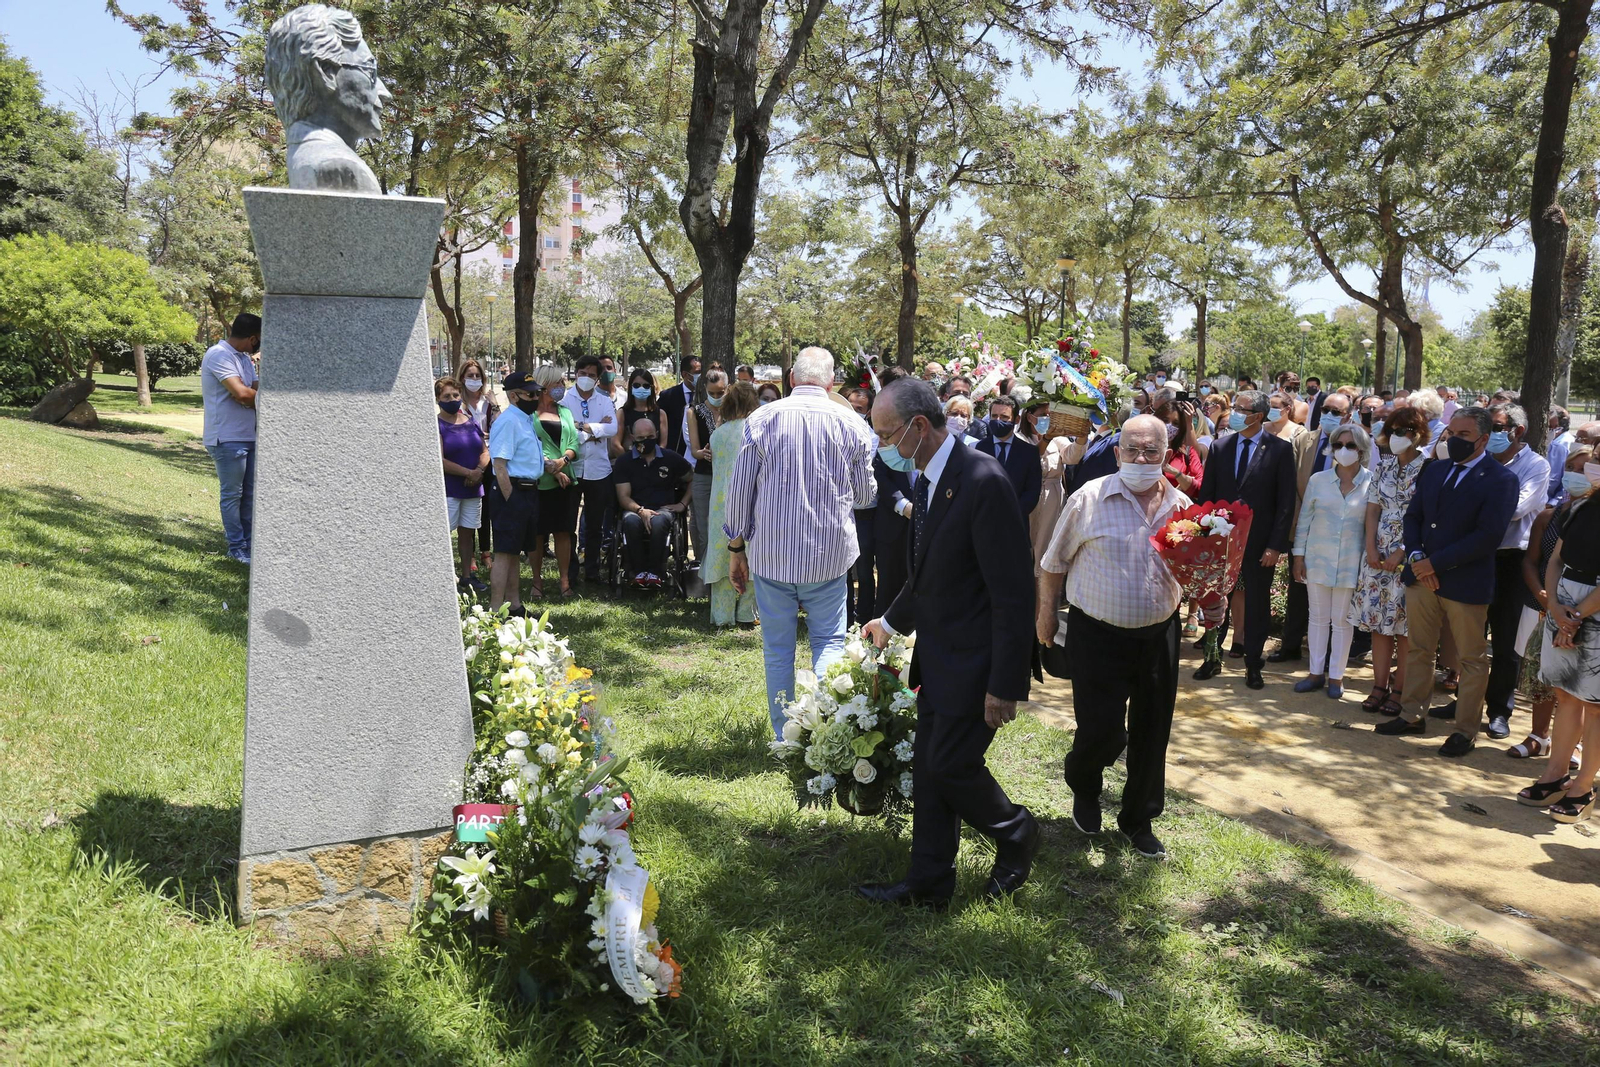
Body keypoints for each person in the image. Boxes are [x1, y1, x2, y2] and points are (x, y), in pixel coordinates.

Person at [860, 379, 1039, 905]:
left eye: (888, 434)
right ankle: (928, 883)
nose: (883, 446)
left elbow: (1013, 593)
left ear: (919, 427)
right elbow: (930, 570)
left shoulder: (983, 480)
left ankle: (1014, 832)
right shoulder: (927, 479)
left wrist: (1005, 684)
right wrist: (891, 622)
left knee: (949, 765)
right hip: (939, 655)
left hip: (977, 660)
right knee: (930, 768)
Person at [1038, 414, 1200, 859]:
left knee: (1152, 732)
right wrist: (1045, 615)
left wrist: (1211, 595)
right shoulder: (1088, 498)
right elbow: (1053, 564)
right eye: (1133, 449)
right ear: (1117, 453)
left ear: (1166, 456)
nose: (1142, 458)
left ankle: (1138, 818)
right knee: (1101, 730)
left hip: (1157, 637)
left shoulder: (1184, 509)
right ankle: (1085, 789)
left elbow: (1195, 569)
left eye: (1151, 451)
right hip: (1097, 634)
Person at [724, 347, 875, 739]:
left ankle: (784, 735)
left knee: (778, 650)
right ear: (831, 382)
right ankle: (824, 730)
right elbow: (863, 497)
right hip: (828, 556)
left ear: (792, 379)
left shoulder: (761, 419)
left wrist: (736, 548)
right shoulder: (853, 423)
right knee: (828, 642)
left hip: (772, 555)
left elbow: (738, 493)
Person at [1375, 407, 1519, 756]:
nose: (1453, 440)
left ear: (1484, 439)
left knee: (1470, 659)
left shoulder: (1501, 480)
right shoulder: (1435, 469)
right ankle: (1412, 715)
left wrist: (1431, 564)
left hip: (1465, 583)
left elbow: (1487, 536)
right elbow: (1414, 517)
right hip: (1421, 577)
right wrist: (1415, 557)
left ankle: (1465, 731)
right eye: (1451, 433)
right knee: (1421, 650)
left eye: (1464, 435)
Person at [1194, 390, 1297, 689]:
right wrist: (1204, 534)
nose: (1235, 412)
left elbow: (1285, 503)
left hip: (1258, 544)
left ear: (1258, 416)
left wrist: (1275, 546)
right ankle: (1213, 658)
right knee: (1215, 601)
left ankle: (1253, 664)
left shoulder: (1278, 450)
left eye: (1242, 408)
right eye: (1236, 407)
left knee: (1255, 605)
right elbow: (1207, 496)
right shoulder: (1220, 446)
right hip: (1220, 542)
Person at [1464, 403, 1550, 740]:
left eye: (1497, 426)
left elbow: (1515, 509)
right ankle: (1465, 703)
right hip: (1474, 557)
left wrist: (1472, 507)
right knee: (1469, 636)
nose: (1491, 432)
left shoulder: (1535, 466)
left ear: (1518, 431)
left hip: (1512, 561)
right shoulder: (1477, 457)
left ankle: (1499, 710)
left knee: (1505, 642)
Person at [1525, 458, 1600, 822]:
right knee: (1566, 694)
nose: (1595, 465)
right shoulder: (1581, 506)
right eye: (1597, 457)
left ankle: (1585, 786)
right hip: (1564, 605)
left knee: (1595, 704)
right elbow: (1556, 559)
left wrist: (1577, 615)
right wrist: (1555, 604)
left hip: (1591, 611)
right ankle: (1556, 775)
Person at [1510, 446, 1595, 762]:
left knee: (1576, 681)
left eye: (1584, 468)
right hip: (1542, 604)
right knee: (1542, 674)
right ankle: (1538, 736)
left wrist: (1570, 609)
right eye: (1570, 467)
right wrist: (1544, 594)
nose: (1574, 474)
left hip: (1582, 611)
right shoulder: (1550, 517)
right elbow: (1533, 561)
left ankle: (1574, 744)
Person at [1350, 405, 1430, 716]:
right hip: (1376, 552)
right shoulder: (1382, 466)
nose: (1398, 436)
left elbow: (1424, 516)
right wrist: (1371, 547)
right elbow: (1373, 509)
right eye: (1394, 430)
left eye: (1405, 431)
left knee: (1404, 627)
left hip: (1411, 553)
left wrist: (1402, 550)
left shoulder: (1429, 469)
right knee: (1378, 626)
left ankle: (1400, 690)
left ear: (1418, 434)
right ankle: (1378, 686)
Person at [1291, 424, 1373, 699]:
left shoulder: (1372, 483)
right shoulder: (1318, 480)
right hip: (1317, 559)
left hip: (1352, 562)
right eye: (1338, 445)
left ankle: (1336, 677)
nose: (1343, 450)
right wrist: (1298, 556)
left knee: (1342, 621)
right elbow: (1304, 521)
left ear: (1361, 450)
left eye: (1350, 446)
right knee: (1317, 618)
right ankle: (1315, 673)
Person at [1278, 392, 1356, 663]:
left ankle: (1329, 658)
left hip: (1337, 535)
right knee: (1298, 589)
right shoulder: (1303, 440)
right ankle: (1290, 646)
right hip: (1302, 527)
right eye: (1326, 409)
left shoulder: (1353, 445)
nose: (1329, 415)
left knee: (1333, 600)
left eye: (1336, 412)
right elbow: (1292, 486)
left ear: (1347, 416)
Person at [200, 313, 263, 565]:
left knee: (249, 495)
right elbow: (243, 396)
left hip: (250, 436)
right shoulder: (218, 355)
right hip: (226, 438)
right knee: (232, 495)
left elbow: (257, 391)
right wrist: (254, 396)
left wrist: (255, 394)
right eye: (259, 339)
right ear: (252, 337)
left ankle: (248, 545)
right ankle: (236, 548)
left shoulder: (244, 359)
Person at [486, 371, 545, 614]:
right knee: (503, 552)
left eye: (537, 393)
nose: (535, 397)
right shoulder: (508, 421)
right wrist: (512, 500)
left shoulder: (525, 418)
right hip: (511, 492)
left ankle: (514, 605)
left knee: (514, 552)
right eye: (530, 394)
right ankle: (495, 610)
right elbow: (500, 465)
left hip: (527, 492)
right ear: (513, 396)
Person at [704, 382, 760, 627]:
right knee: (750, 555)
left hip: (719, 505)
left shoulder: (718, 434)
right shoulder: (757, 430)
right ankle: (747, 614)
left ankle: (722, 616)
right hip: (750, 500)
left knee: (722, 557)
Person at [560, 353, 618, 585]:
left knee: (595, 525)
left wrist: (582, 427)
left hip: (599, 470)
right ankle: (571, 570)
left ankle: (592, 571)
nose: (586, 378)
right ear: (575, 374)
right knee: (568, 523)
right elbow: (565, 431)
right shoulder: (564, 401)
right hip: (572, 469)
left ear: (597, 378)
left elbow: (612, 428)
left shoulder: (605, 401)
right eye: (582, 374)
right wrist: (594, 431)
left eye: (591, 375)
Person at [614, 418, 693, 586]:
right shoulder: (624, 462)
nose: (646, 441)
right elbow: (623, 497)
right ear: (632, 436)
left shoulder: (671, 458)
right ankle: (637, 571)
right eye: (641, 438)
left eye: (650, 436)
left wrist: (683, 504)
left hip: (664, 508)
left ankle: (656, 572)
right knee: (630, 522)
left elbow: (694, 479)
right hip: (635, 509)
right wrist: (640, 510)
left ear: (657, 435)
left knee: (659, 521)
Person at [529, 365, 581, 598]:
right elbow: (529, 446)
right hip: (540, 483)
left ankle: (564, 582)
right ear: (544, 385)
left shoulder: (565, 412)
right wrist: (551, 468)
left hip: (566, 482)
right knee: (538, 535)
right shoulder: (528, 414)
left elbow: (574, 443)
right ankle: (536, 582)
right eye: (558, 382)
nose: (562, 386)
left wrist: (563, 461)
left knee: (563, 532)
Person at [437, 376, 489, 594]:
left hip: (473, 489)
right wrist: (468, 472)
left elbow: (485, 451)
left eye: (456, 395)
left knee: (468, 534)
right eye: (447, 396)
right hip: (449, 490)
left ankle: (467, 576)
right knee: (444, 534)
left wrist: (479, 471)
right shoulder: (436, 425)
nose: (453, 399)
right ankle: (445, 577)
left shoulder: (470, 421)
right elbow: (440, 459)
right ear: (438, 399)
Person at [686, 369, 728, 564]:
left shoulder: (734, 413)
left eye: (721, 393)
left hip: (729, 476)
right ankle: (705, 574)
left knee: (727, 525)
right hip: (704, 475)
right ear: (705, 390)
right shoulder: (694, 412)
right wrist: (703, 453)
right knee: (703, 525)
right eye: (712, 393)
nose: (716, 397)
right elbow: (694, 450)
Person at [976, 395, 1042, 517]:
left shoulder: (1029, 452)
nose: (998, 420)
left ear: (1016, 419)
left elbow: (1032, 492)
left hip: (1016, 521)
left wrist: (1012, 513)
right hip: (983, 520)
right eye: (994, 416)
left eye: (1004, 417)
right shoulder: (980, 448)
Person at [659, 354, 701, 457]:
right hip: (674, 454)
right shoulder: (668, 396)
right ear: (685, 374)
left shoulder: (706, 396)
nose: (700, 376)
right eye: (697, 373)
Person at [621, 368, 669, 453]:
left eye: (646, 386)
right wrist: (627, 462)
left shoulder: (660, 414)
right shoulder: (622, 413)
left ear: (651, 388)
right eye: (636, 385)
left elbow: (663, 445)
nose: (641, 388)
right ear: (631, 387)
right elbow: (615, 444)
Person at [1546, 406, 1575, 505]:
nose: (1552, 433)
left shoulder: (1561, 451)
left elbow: (1564, 486)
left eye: (1556, 428)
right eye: (1549, 428)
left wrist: (1551, 504)